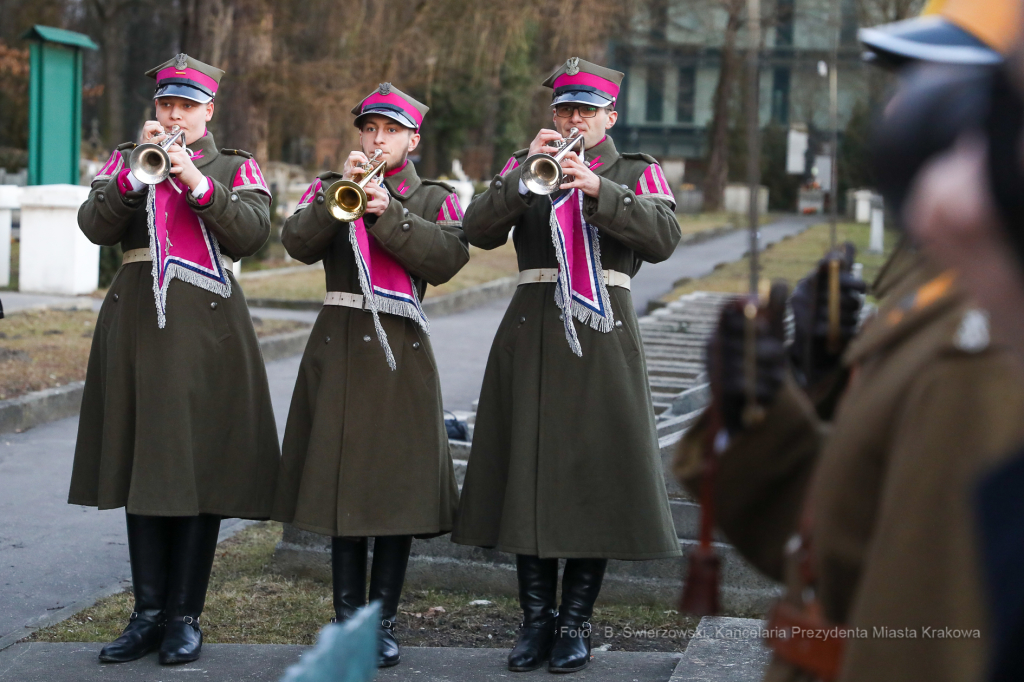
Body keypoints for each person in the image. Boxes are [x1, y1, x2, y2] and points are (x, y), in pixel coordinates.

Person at [674, 2, 1024, 680]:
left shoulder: (983, 344)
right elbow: (837, 551)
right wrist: (789, 393)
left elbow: (930, 633)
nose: (897, 114)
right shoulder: (935, 289)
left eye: (927, 87)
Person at [451, 57, 682, 674]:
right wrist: (525, 175)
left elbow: (662, 240)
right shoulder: (524, 166)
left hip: (604, 333)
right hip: (532, 327)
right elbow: (476, 230)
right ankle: (534, 622)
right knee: (527, 470)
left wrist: (599, 189)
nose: (573, 119)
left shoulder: (637, 171)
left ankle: (575, 621)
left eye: (585, 110)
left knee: (593, 476)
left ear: (611, 116)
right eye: (564, 109)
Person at [70, 53, 280, 665]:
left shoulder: (234, 166)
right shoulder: (124, 161)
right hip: (136, 325)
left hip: (210, 333)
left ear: (208, 110)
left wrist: (195, 180)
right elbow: (93, 226)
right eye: (166, 104)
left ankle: (186, 615)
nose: (174, 116)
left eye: (187, 106)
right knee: (146, 468)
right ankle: (147, 615)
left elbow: (251, 235)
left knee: (199, 469)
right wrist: (138, 177)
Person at [271, 83, 468, 668]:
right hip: (338, 348)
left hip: (401, 352)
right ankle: (347, 619)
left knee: (394, 495)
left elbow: (447, 260)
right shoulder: (332, 185)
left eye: (390, 131)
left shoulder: (434, 197)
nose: (378, 139)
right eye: (370, 129)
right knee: (343, 494)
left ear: (413, 138)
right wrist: (338, 195)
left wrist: (390, 212)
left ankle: (382, 620)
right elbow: (296, 245)